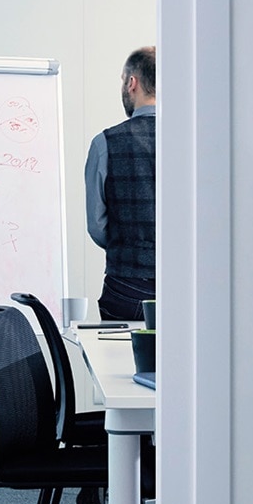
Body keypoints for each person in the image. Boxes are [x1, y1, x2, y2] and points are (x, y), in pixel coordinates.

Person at [84, 46, 157, 321]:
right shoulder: (195, 142)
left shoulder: (104, 143)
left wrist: (127, 246)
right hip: (187, 285)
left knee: (119, 364)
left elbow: (97, 225)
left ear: (132, 83)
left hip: (126, 286)